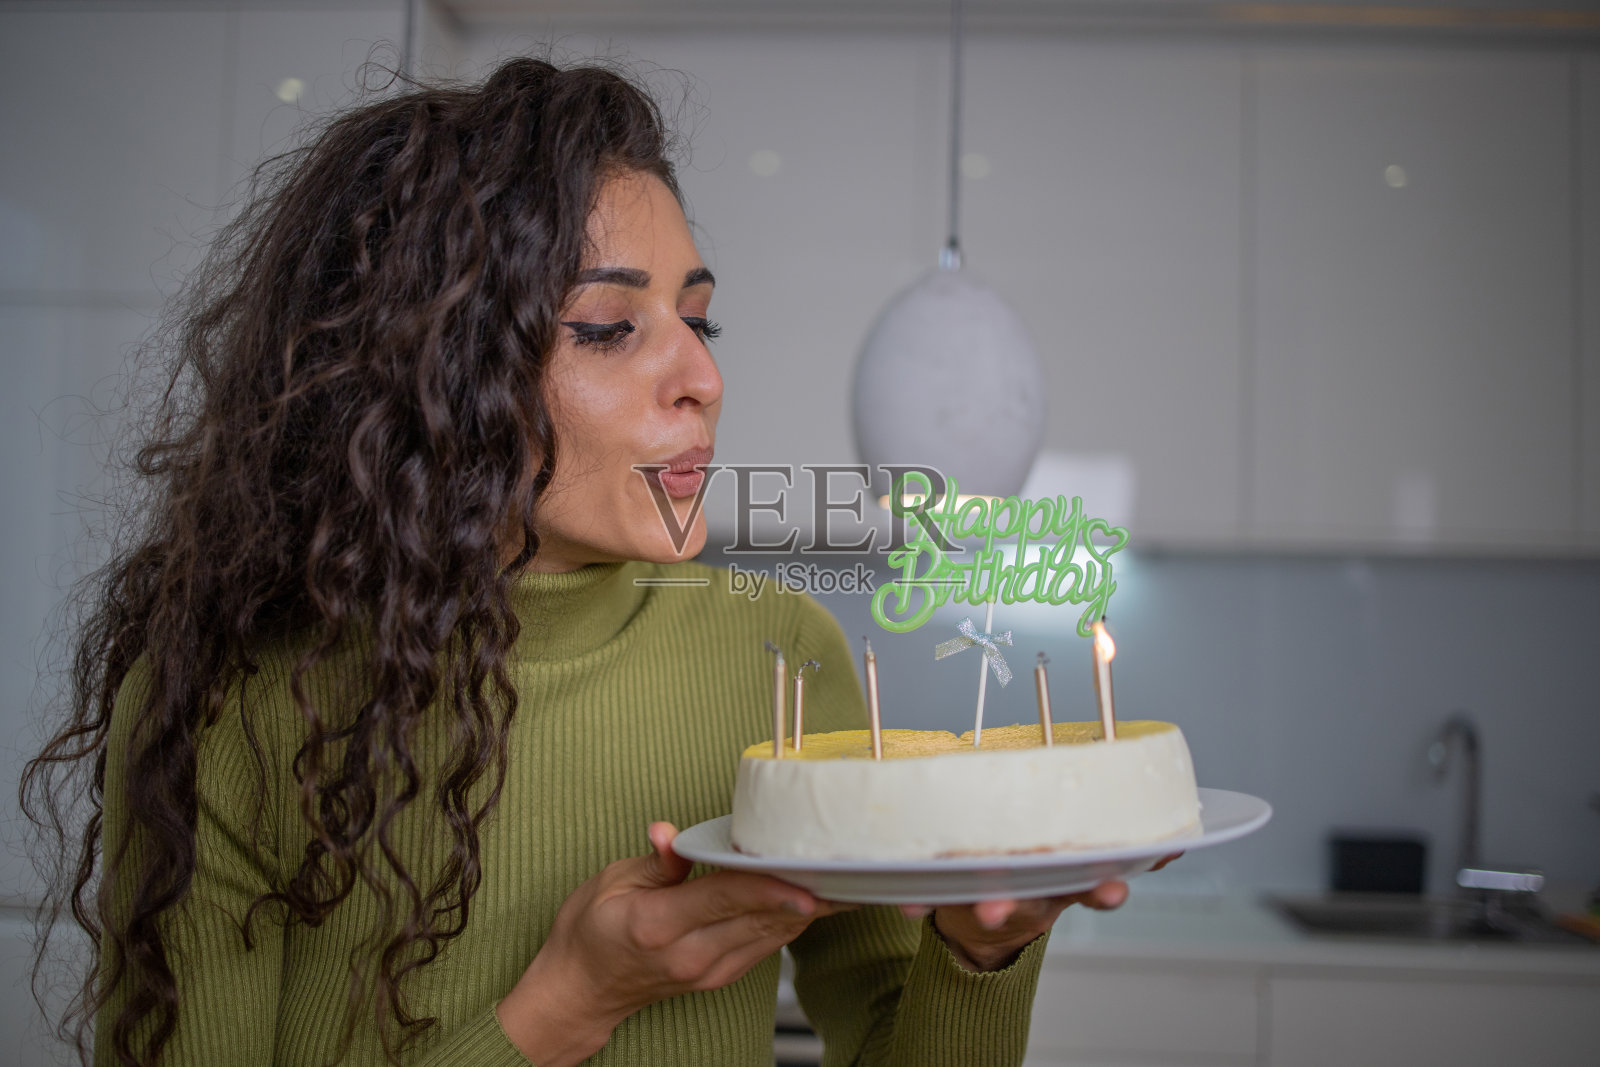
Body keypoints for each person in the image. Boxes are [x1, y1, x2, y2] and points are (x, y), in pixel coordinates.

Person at [23, 57, 1136, 1067]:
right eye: (610, 327)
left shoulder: (780, 655)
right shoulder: (236, 708)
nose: (701, 376)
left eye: (700, 321)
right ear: (431, 369)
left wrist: (981, 954)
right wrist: (567, 999)